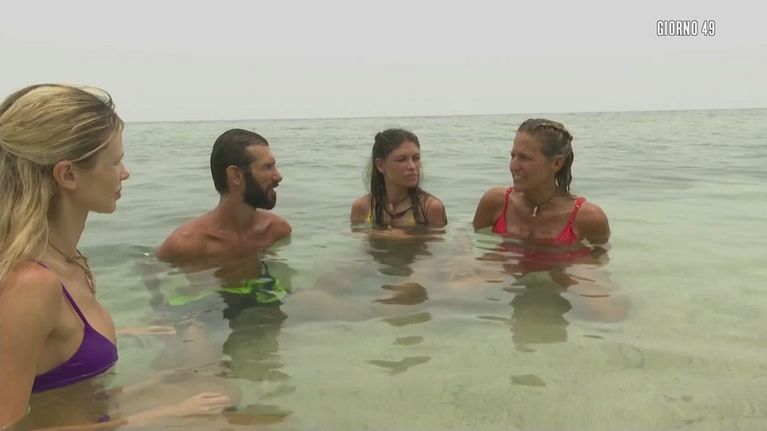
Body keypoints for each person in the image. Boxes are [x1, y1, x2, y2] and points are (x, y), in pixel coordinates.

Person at [0, 84, 230, 429]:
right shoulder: (29, 285)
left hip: (98, 416)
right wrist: (162, 415)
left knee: (219, 384)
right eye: (115, 161)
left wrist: (126, 337)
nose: (125, 172)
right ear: (68, 175)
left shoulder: (70, 261)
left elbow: (57, 377)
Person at [473, 118, 610, 267]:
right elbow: (469, 237)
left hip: (559, 275)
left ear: (556, 163)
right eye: (513, 156)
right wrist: (464, 258)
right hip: (508, 271)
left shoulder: (588, 217)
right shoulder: (496, 201)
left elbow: (599, 261)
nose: (513, 166)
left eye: (524, 158)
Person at [351, 128, 447, 229]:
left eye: (416, 158)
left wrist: (404, 236)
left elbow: (440, 238)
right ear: (380, 165)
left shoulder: (429, 207)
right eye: (401, 160)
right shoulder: (363, 206)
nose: (412, 166)